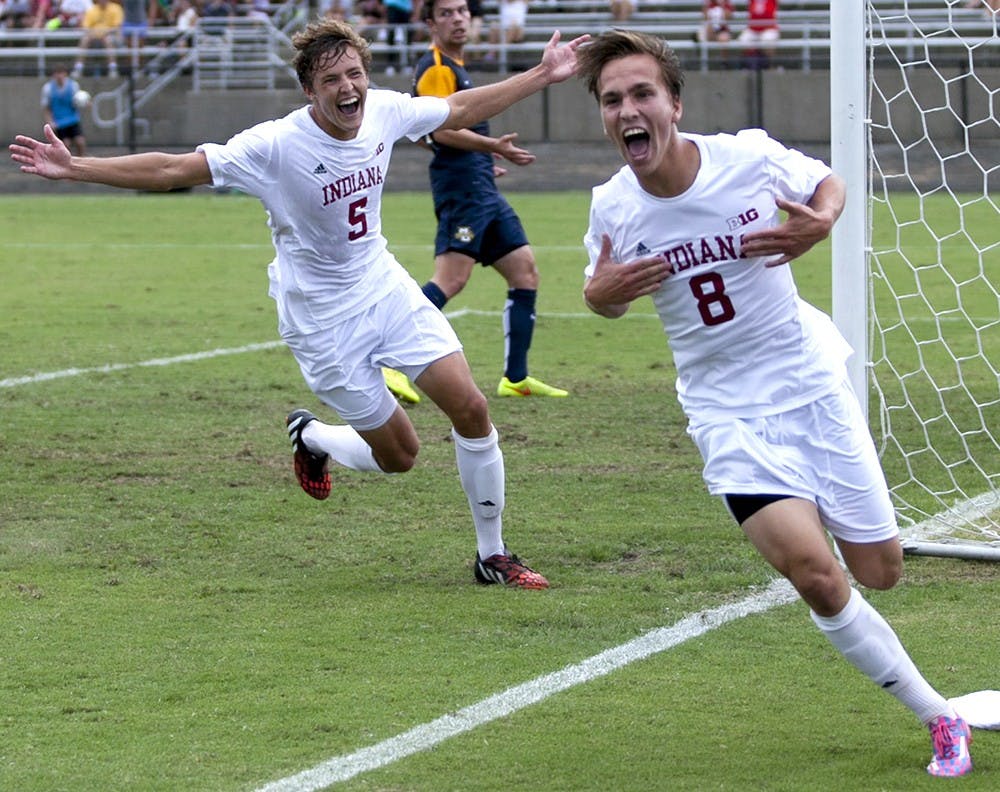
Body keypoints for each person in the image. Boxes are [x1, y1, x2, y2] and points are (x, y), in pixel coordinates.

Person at [10, 18, 588, 589]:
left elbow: (459, 109)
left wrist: (542, 73)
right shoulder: (275, 144)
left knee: (472, 408)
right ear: (309, 90)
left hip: (384, 288)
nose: (348, 88)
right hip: (321, 322)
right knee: (401, 456)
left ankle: (494, 556)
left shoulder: (384, 110)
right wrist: (75, 167)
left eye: (355, 73)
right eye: (331, 79)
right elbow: (173, 168)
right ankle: (312, 436)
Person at [574, 29, 973, 777]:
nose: (627, 110)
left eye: (641, 94)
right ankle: (940, 717)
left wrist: (821, 218)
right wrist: (599, 298)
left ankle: (823, 504)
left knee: (880, 570)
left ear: (674, 104)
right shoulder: (613, 208)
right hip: (726, 413)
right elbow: (602, 294)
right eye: (612, 100)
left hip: (808, 385)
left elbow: (827, 182)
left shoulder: (747, 157)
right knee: (817, 577)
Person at [394, 0, 568, 404]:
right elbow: (439, 130)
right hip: (463, 191)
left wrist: (482, 158)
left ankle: (516, 377)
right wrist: (492, 146)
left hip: (480, 186)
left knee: (524, 271)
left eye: (462, 11)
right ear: (430, 23)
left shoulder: (456, 66)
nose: (457, 19)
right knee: (451, 278)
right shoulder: (437, 67)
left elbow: (424, 134)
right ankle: (391, 363)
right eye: (447, 13)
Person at [40, 63, 87, 156]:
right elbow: (46, 108)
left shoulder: (73, 86)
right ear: (53, 75)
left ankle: (82, 161)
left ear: (66, 74)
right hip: (59, 121)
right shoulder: (48, 88)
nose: (59, 76)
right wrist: (50, 121)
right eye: (57, 73)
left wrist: (85, 102)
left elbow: (78, 100)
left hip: (73, 119)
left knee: (80, 142)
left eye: (61, 73)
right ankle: (68, 164)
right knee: (66, 144)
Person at [73, 0, 124, 78]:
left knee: (108, 39)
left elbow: (116, 28)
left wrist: (104, 33)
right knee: (85, 39)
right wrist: (97, 34)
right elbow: (86, 28)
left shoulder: (116, 8)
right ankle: (78, 68)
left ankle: (112, 69)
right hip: (94, 37)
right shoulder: (91, 10)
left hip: (111, 36)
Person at [737, 0, 779, 69]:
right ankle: (750, 65)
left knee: (768, 40)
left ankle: (769, 66)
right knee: (743, 40)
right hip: (753, 28)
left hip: (769, 27)